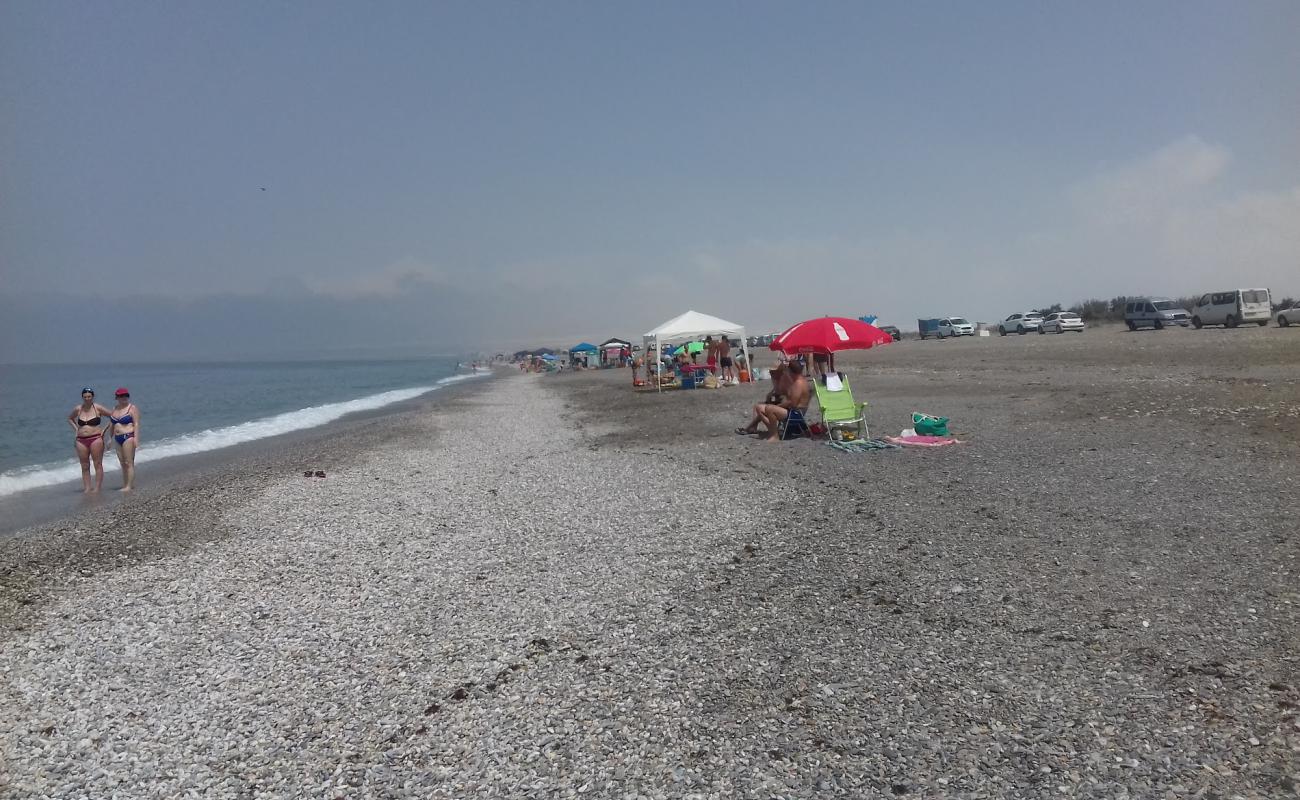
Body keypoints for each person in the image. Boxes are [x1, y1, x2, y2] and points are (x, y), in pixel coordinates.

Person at [738, 361, 810, 442]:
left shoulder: (798, 383)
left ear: (790, 371)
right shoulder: (796, 380)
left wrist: (777, 406)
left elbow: (793, 403)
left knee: (770, 409)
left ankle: (775, 435)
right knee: (760, 408)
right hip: (792, 410)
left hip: (796, 413)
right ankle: (772, 430)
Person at [68, 387, 111, 493]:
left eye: (89, 396)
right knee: (84, 465)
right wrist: (77, 429)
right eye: (85, 397)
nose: (87, 399)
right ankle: (87, 488)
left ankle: (97, 488)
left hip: (95, 438)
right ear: (82, 397)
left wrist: (104, 430)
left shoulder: (97, 407)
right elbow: (70, 418)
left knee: (97, 464)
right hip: (81, 440)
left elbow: (113, 416)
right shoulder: (79, 408)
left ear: (92, 397)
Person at [108, 387, 140, 492]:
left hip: (128, 436)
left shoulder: (132, 408)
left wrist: (136, 438)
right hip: (117, 438)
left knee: (129, 462)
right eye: (121, 396)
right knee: (122, 463)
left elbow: (136, 423)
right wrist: (110, 438)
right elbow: (112, 425)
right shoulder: (115, 408)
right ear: (117, 397)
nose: (124, 398)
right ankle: (125, 484)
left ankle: (129, 486)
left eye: (126, 395)